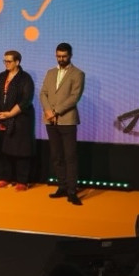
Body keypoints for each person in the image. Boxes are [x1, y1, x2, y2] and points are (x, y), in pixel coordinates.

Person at [39, 42, 85, 206]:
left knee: (70, 157)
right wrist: (47, 111)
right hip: (50, 120)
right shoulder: (50, 72)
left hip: (67, 120)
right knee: (56, 156)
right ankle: (62, 186)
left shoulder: (78, 74)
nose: (61, 59)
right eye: (58, 56)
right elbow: (43, 93)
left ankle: (72, 191)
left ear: (70, 55)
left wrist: (56, 111)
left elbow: (74, 97)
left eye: (64, 56)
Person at [0, 50, 36, 191]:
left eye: (9, 61)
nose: (6, 64)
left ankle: (22, 180)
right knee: (3, 149)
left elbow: (26, 100)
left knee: (21, 150)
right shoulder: (0, 77)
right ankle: (6, 177)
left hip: (20, 119)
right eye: (5, 61)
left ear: (17, 62)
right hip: (1, 118)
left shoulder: (25, 78)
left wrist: (10, 114)